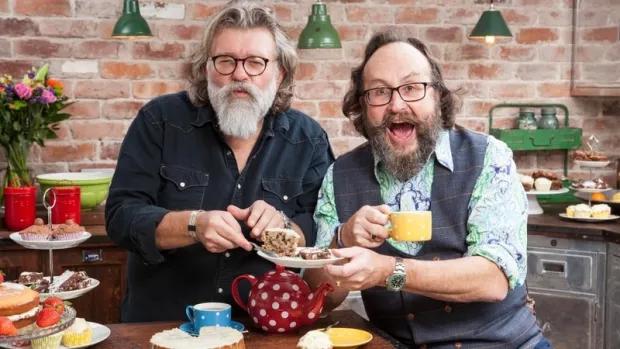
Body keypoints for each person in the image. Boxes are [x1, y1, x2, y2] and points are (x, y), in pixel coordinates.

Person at [305, 31, 551, 349]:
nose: (397, 104)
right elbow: (319, 299)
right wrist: (343, 239)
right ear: (363, 106)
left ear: (436, 95)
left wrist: (386, 270)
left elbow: (493, 278)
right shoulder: (339, 175)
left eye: (411, 88)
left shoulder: (490, 157)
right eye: (379, 92)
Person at [105, 0, 334, 323]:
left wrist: (284, 226)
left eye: (256, 62)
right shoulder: (159, 121)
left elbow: (321, 231)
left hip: (264, 332)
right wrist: (192, 225)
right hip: (162, 329)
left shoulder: (308, 139)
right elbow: (120, 218)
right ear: (205, 69)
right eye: (226, 61)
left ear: (279, 74)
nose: (240, 74)